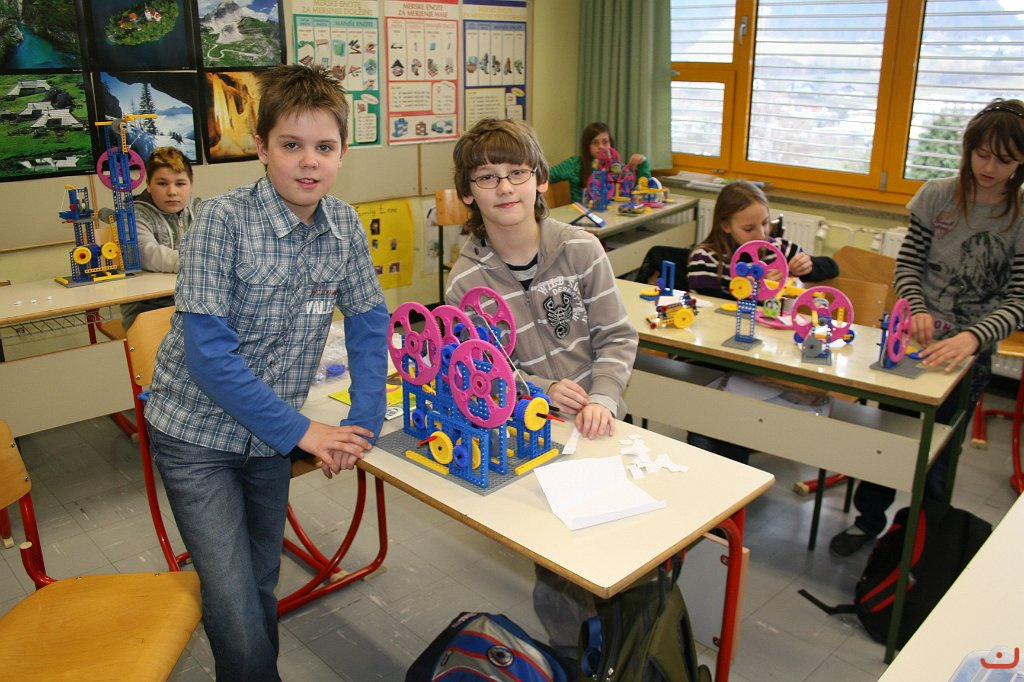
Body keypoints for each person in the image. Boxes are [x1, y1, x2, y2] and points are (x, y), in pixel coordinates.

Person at [143, 64, 388, 681]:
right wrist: (306, 433)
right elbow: (208, 357)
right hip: (195, 436)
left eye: (324, 147)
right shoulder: (220, 221)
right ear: (261, 148)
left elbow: (367, 321)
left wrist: (360, 424)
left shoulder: (343, 226)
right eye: (291, 145)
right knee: (230, 595)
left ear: (342, 153)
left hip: (267, 439)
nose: (309, 162)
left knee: (259, 578)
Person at [445, 117, 639, 654]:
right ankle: (570, 654)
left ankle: (628, 647)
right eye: (487, 177)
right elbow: (486, 373)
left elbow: (617, 337)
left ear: (540, 180)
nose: (504, 187)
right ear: (468, 193)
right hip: (534, 433)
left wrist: (603, 397)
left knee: (622, 545)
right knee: (558, 566)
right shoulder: (465, 283)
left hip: (601, 424)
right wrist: (540, 389)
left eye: (517, 172)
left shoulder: (581, 250)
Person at [830, 98, 1024, 557]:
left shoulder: (1019, 215)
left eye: (1003, 160)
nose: (988, 168)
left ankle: (919, 538)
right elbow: (908, 266)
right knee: (888, 437)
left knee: (939, 457)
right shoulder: (937, 195)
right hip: (907, 342)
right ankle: (868, 521)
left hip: (967, 356)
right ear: (968, 149)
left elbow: (1019, 299)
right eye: (981, 154)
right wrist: (916, 307)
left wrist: (973, 337)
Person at [686, 180, 839, 464]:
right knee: (717, 414)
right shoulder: (705, 258)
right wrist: (756, 289)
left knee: (739, 415)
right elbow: (712, 312)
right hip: (713, 356)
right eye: (749, 228)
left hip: (757, 356)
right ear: (725, 225)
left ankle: (733, 467)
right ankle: (709, 461)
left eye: (765, 224)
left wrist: (807, 265)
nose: (761, 234)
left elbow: (832, 266)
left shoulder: (775, 248)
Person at [119, 146, 201, 330]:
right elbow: (147, 254)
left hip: (195, 302)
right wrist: (199, 261)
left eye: (180, 184)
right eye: (162, 184)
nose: (172, 191)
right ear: (148, 184)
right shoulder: (132, 215)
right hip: (148, 307)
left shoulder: (201, 210)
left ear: (191, 184)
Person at [548, 121, 651, 204]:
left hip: (611, 218)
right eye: (595, 143)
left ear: (611, 144)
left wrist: (643, 164)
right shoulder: (575, 164)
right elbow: (546, 175)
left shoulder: (616, 167)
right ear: (587, 146)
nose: (601, 146)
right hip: (581, 217)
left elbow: (641, 188)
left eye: (605, 142)